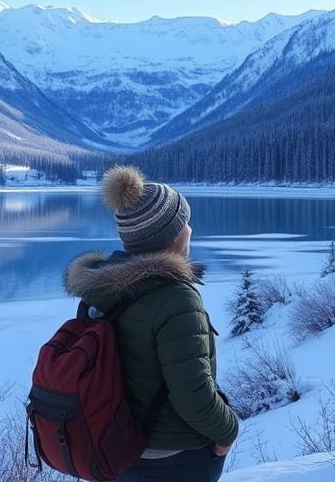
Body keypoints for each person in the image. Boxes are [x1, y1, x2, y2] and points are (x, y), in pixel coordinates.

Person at [64, 165, 239, 482]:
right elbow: (192, 394)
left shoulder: (101, 292)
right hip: (173, 458)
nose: (190, 230)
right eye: (185, 223)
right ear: (171, 236)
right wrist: (228, 431)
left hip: (116, 448)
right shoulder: (177, 300)